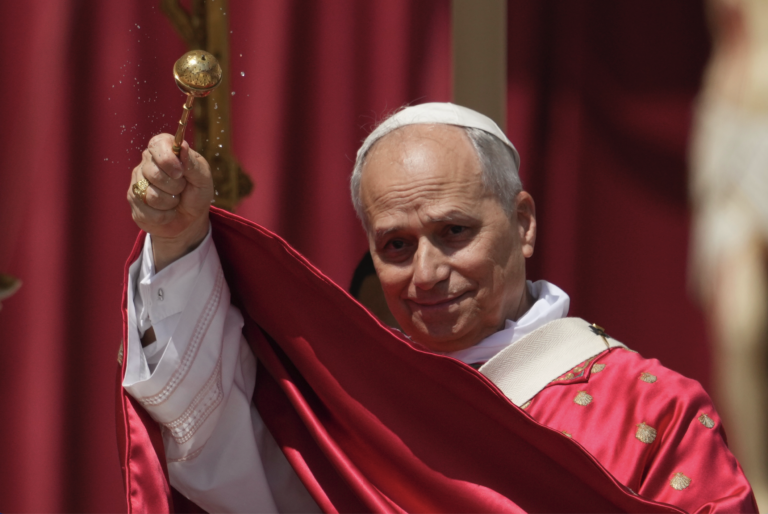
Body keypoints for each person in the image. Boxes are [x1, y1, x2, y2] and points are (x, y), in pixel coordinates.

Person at [121, 103, 757, 513]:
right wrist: (179, 240)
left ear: (523, 223)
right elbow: (206, 437)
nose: (426, 274)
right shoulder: (345, 411)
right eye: (396, 246)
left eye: (454, 232)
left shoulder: (654, 409)